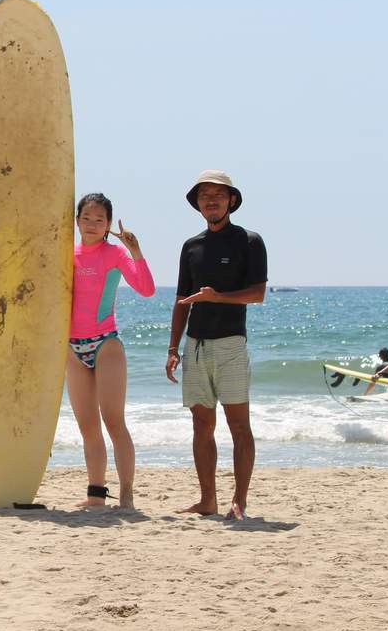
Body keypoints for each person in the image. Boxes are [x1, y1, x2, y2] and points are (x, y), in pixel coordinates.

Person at [165, 170, 267, 520]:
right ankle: (208, 500)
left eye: (218, 194)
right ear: (198, 204)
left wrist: (218, 297)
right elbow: (182, 301)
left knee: (239, 426)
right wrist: (172, 349)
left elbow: (258, 294)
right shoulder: (190, 247)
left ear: (231, 201)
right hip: (195, 346)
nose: (211, 199)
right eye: (204, 194)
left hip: (231, 345)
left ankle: (239, 501)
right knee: (201, 426)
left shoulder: (249, 241)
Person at [66, 193, 155, 509]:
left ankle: (127, 494)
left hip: (106, 344)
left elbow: (146, 289)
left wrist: (135, 251)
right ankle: (96, 495)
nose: (91, 225)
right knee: (87, 426)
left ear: (107, 225)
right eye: (86, 218)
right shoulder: (66, 253)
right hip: (72, 350)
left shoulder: (114, 253)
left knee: (114, 420)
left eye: (99, 220)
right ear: (76, 220)